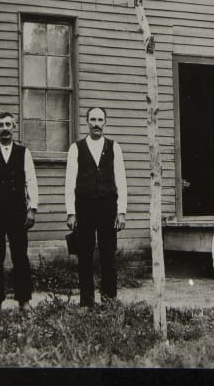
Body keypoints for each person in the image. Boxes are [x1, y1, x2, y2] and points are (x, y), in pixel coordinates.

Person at [0, 111, 39, 311]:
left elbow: (31, 182)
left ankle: (24, 299)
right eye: (0, 125)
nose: (5, 129)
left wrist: (32, 209)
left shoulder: (24, 152)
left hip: (18, 212)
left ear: (14, 127)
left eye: (8, 125)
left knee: (20, 255)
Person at [64, 106, 128, 307]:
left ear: (105, 123)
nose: (96, 124)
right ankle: (86, 302)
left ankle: (109, 301)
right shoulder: (76, 148)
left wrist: (122, 211)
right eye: (93, 119)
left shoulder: (114, 147)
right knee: (85, 255)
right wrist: (71, 212)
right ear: (87, 122)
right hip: (84, 207)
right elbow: (69, 182)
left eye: (100, 120)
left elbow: (121, 180)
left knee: (108, 255)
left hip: (108, 207)